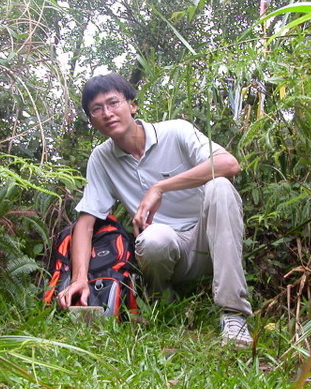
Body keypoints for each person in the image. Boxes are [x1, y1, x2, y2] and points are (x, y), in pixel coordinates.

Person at [56, 73, 253, 347]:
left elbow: (228, 164)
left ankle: (234, 314)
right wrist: (79, 279)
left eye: (114, 103)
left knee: (219, 186)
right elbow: (86, 222)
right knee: (153, 237)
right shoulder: (102, 158)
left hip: (210, 242)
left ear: (132, 105)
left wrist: (160, 187)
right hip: (167, 251)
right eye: (97, 109)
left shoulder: (175, 131)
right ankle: (162, 302)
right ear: (91, 120)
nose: (107, 113)